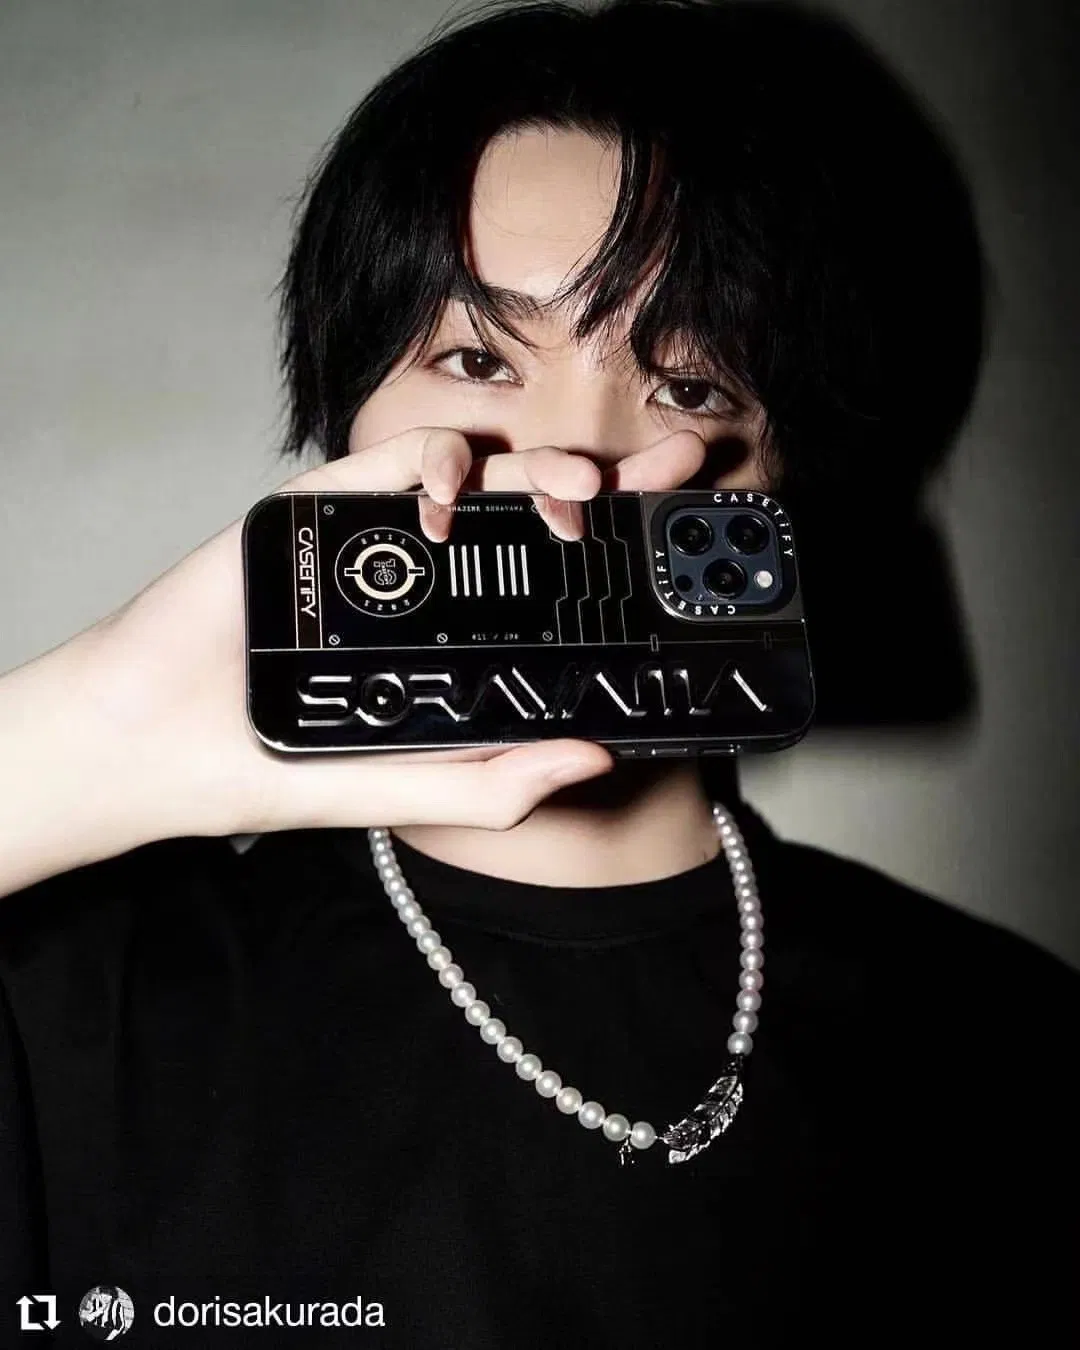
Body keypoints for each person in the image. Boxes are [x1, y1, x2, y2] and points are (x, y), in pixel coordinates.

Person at [1, 1, 1076, 1345]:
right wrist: (83, 727)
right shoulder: (75, 1001)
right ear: (345, 428)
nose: (574, 470)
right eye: (476, 360)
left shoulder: (1007, 1046)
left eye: (690, 386)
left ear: (786, 484)